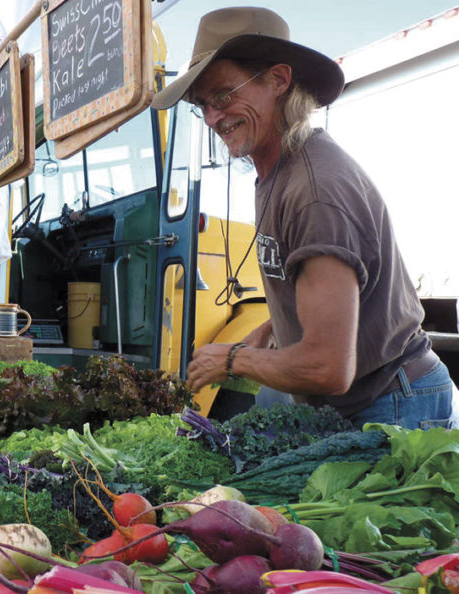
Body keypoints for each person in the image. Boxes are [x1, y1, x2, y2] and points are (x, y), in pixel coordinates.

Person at [151, 7, 455, 429]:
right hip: (366, 400)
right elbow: (319, 294)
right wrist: (270, 328)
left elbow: (327, 367)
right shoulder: (280, 170)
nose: (213, 118)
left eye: (223, 95)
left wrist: (235, 358)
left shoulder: (315, 191)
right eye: (202, 105)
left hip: (390, 402)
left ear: (278, 80)